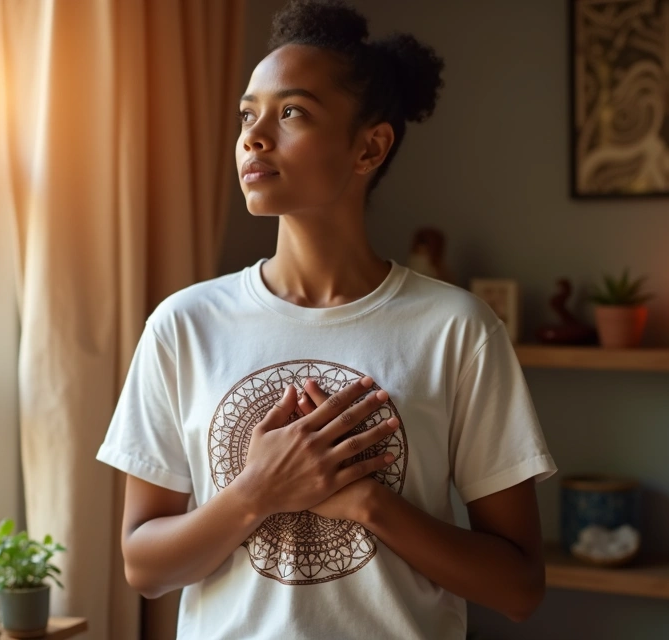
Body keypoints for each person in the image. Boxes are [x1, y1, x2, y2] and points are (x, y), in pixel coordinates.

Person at [95, 1, 557, 637]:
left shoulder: (457, 329)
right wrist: (257, 491)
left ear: (369, 146)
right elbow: (144, 568)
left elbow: (520, 589)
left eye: (292, 112)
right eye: (247, 115)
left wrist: (369, 502)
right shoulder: (183, 325)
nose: (254, 137)